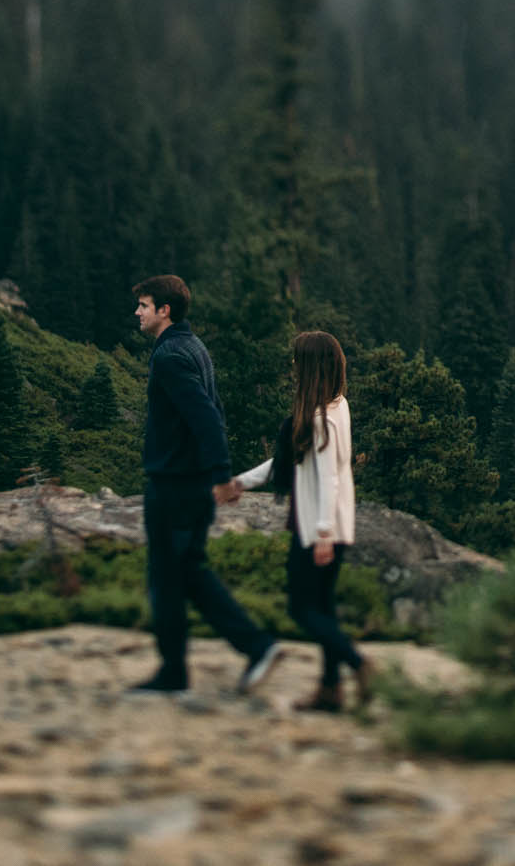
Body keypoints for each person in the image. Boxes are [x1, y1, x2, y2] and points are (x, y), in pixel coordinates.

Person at [128, 273, 283, 695]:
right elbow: (213, 412)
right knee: (185, 572)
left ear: (165, 310)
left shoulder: (169, 357)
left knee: (168, 575)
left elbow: (206, 418)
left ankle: (243, 649)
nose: (137, 313)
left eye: (144, 305)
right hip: (189, 481)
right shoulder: (191, 346)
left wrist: (221, 476)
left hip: (175, 484)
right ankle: (188, 666)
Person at [216, 330, 370, 711]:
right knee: (323, 608)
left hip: (320, 526)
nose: (292, 366)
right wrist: (241, 483)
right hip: (333, 524)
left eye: (297, 360)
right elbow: (288, 461)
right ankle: (331, 689)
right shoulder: (336, 407)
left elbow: (330, 478)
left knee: (302, 610)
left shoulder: (322, 420)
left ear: (311, 368)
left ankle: (358, 664)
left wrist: (322, 535)